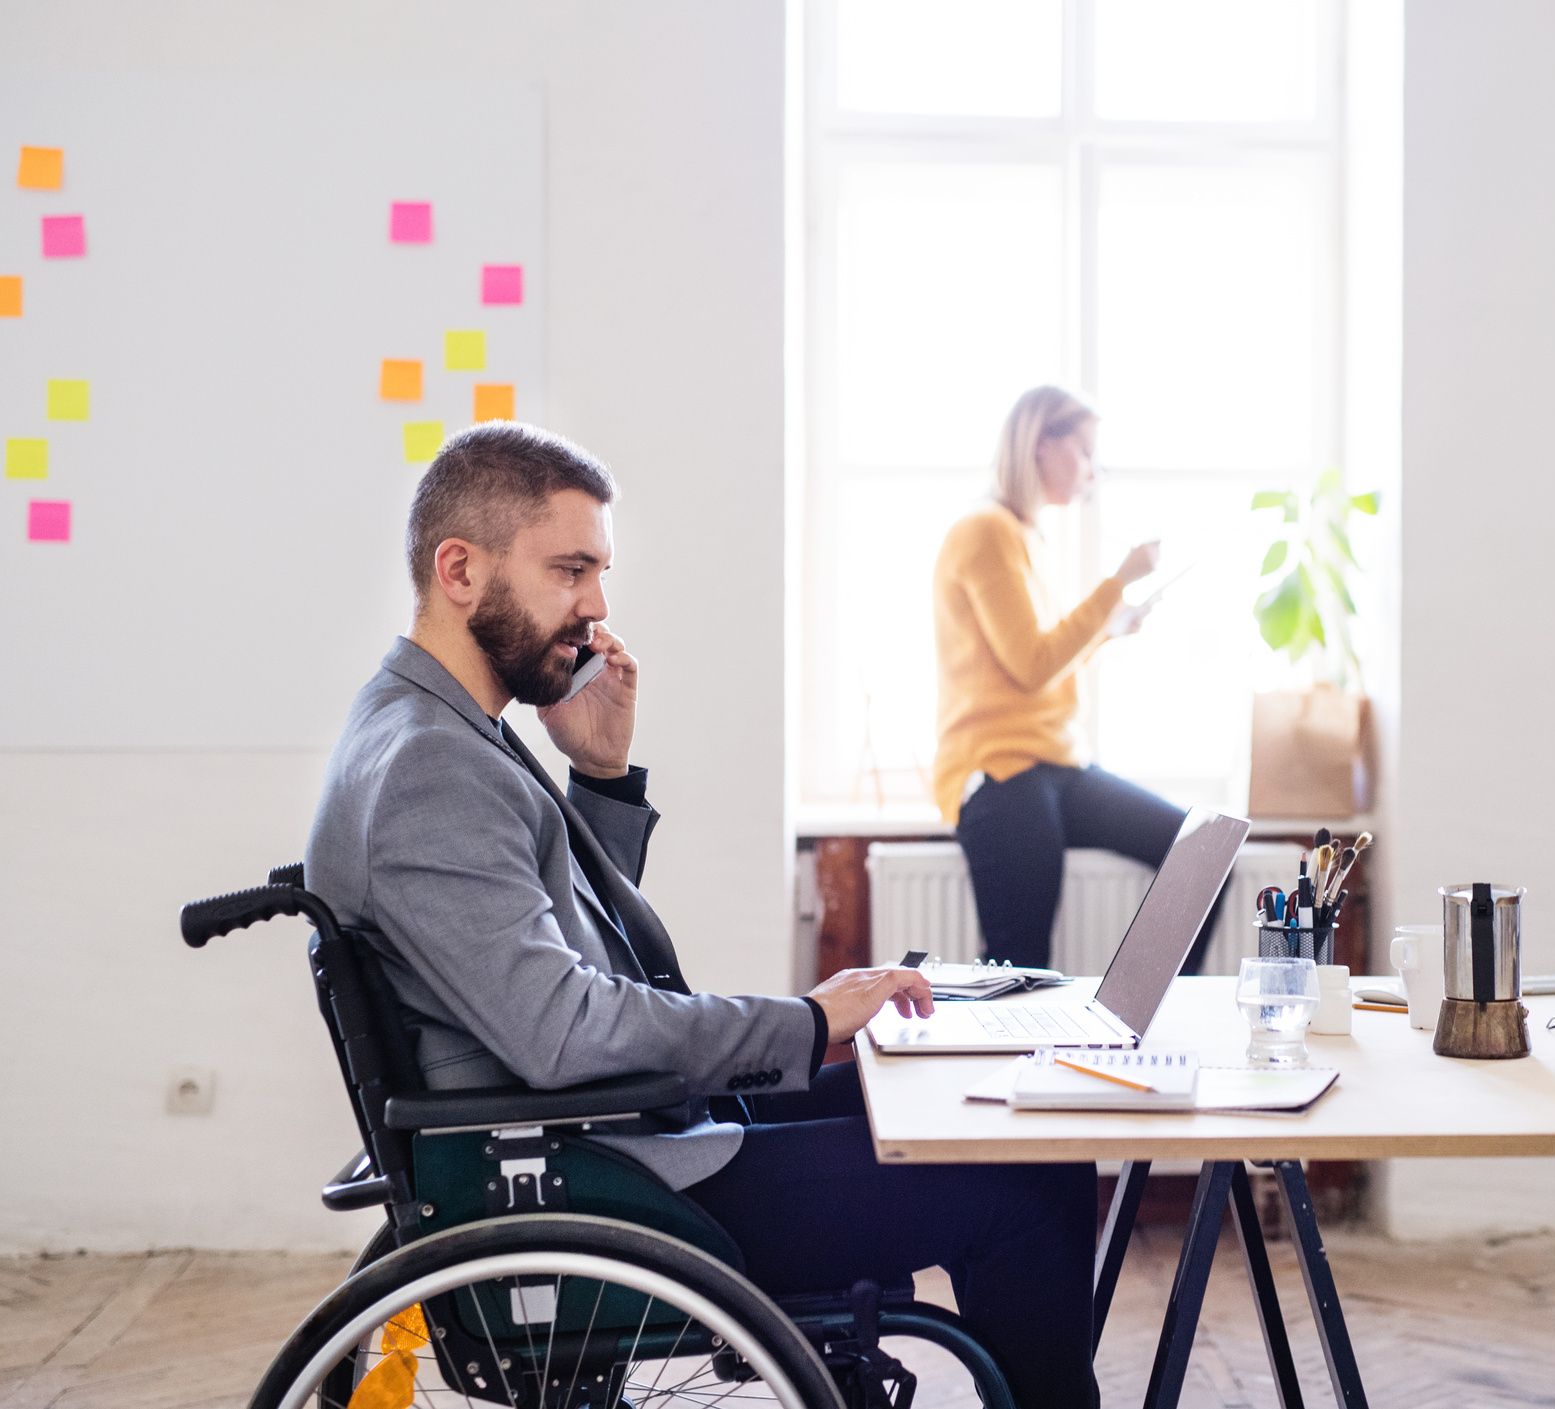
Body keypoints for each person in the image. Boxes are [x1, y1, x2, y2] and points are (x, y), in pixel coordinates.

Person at [306, 422, 1099, 1407]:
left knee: (994, 1123)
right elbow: (564, 1027)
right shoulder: (433, 765)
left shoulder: (437, 727)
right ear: (459, 569)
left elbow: (566, 943)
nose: (596, 605)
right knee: (1022, 1187)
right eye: (569, 569)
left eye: (599, 571)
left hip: (598, 1138)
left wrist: (595, 773)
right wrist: (808, 1021)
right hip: (589, 1174)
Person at [934, 385, 1223, 970]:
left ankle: (1137, 1017)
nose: (1093, 469)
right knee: (1021, 964)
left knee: (1201, 853)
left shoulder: (1028, 538)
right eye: (1085, 451)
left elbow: (1037, 664)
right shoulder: (985, 531)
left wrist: (1107, 631)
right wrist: (1117, 582)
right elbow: (1033, 664)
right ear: (1042, 443)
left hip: (1058, 765)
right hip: (1001, 771)